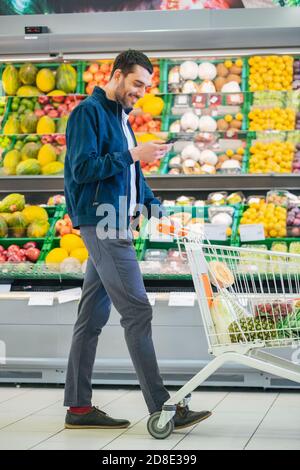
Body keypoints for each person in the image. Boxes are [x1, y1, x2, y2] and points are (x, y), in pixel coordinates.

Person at [63, 49, 212, 430]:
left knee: (91, 319)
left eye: (145, 87)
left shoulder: (123, 119)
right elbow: (82, 170)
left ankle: (78, 407)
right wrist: (132, 153)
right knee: (138, 312)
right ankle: (162, 406)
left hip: (118, 222)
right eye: (136, 84)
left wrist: (160, 214)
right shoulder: (87, 113)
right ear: (116, 76)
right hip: (103, 224)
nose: (140, 92)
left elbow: (133, 181)